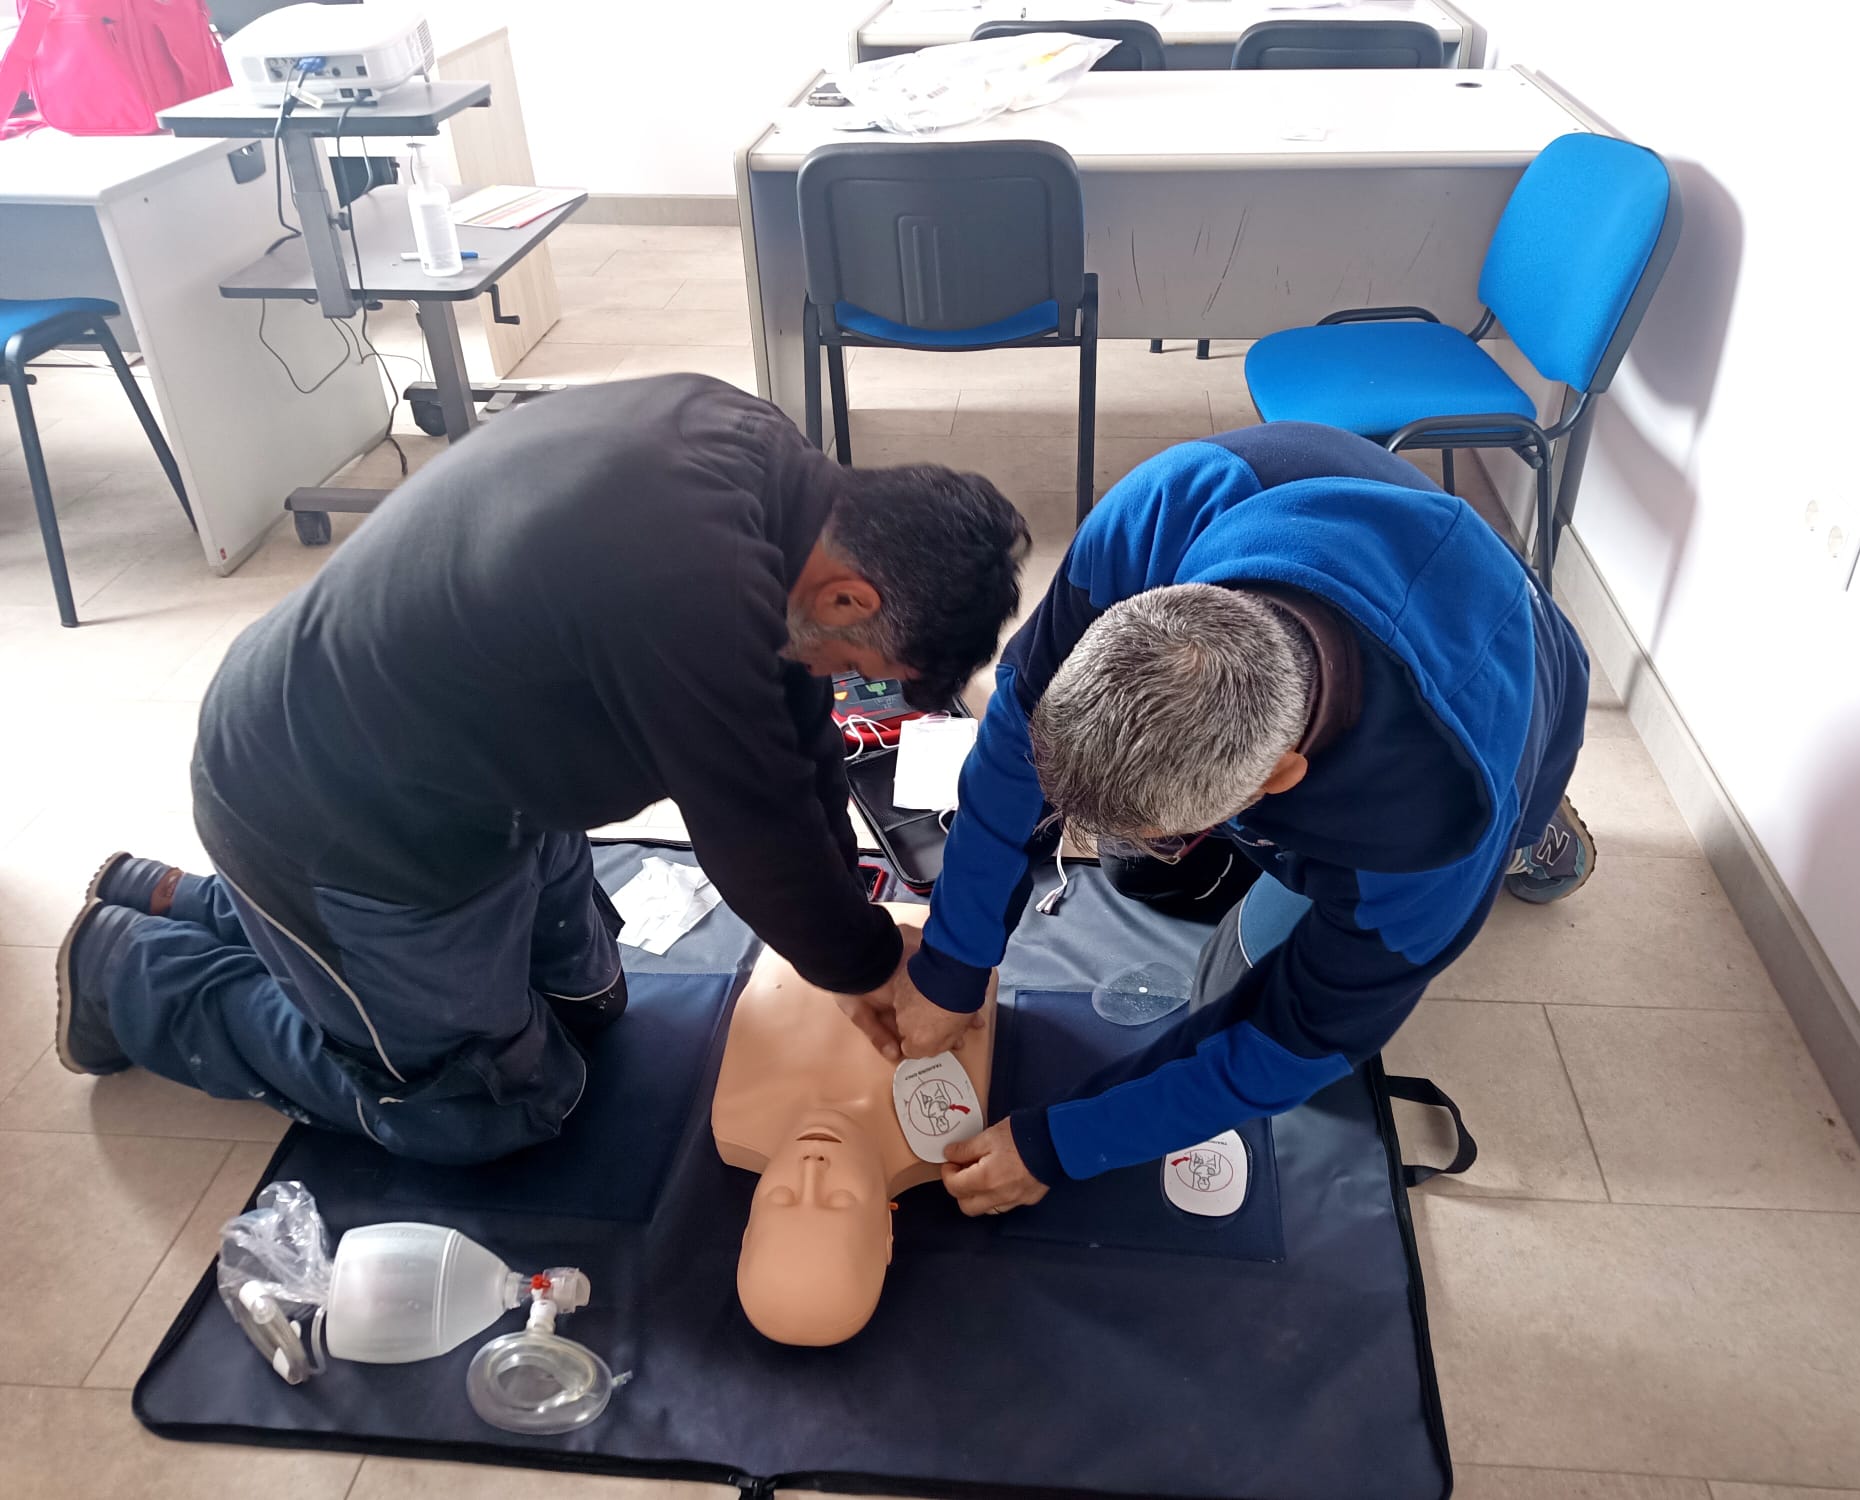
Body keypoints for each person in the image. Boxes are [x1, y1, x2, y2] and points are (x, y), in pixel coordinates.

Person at [53, 374, 1028, 1165]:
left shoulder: (766, 470)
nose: (839, 682)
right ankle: (129, 971)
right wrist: (863, 966)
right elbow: (750, 823)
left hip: (471, 783)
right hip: (336, 823)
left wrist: (851, 920)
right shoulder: (689, 586)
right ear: (850, 596)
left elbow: (798, 737)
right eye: (855, 662)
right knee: (491, 1107)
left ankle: (200, 902)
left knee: (589, 1012)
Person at [855, 422, 1592, 1215]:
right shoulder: (1165, 514)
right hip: (1346, 593)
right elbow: (1015, 742)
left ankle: (1537, 842)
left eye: (1177, 826)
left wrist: (1063, 1144)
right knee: (1140, 873)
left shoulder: (1427, 843)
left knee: (1227, 996)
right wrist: (955, 960)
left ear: (1278, 778)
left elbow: (1297, 1043)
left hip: (1502, 690)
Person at [712, 904, 996, 1346]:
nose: (812, 1168)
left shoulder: (735, 1114)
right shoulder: (951, 1125)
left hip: (802, 913)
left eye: (782, 1198)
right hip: (938, 927)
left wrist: (847, 951)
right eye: (840, 1200)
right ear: (886, 1235)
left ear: (748, 1227)